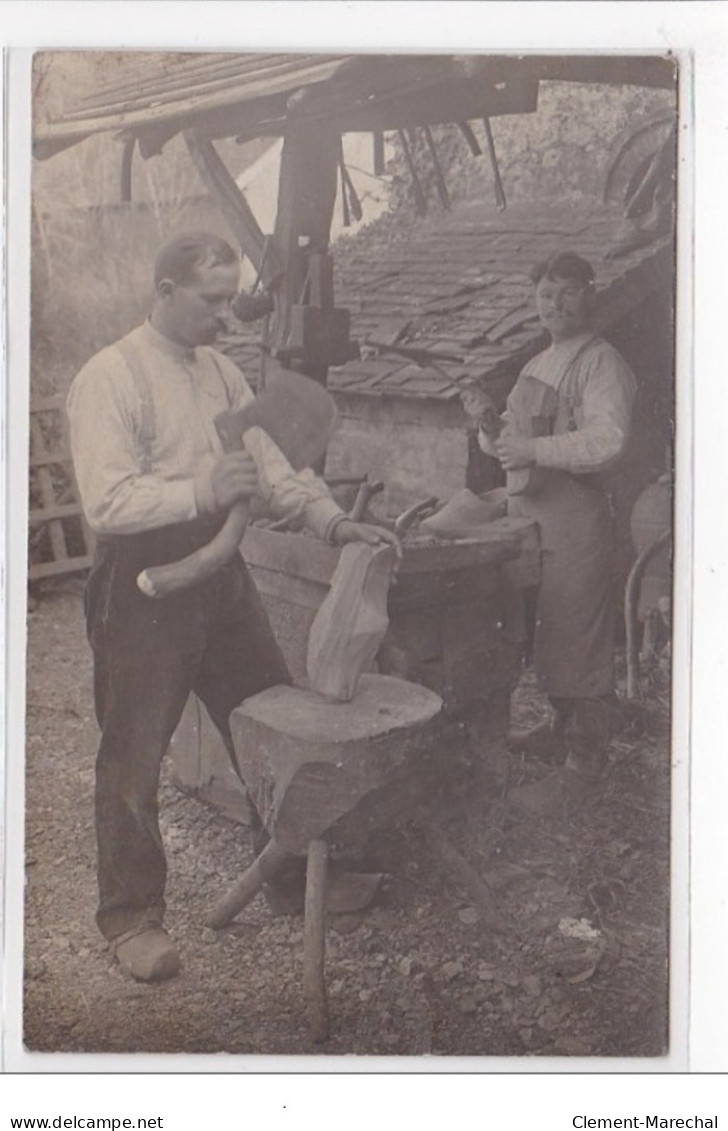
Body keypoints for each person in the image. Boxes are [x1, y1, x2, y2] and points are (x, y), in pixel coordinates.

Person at [67, 231, 400, 982]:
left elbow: (273, 468)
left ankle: (283, 877)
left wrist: (332, 521)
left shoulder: (220, 373)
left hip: (221, 572)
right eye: (211, 300)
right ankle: (130, 919)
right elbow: (108, 498)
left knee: (268, 726)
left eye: (231, 299)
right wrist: (200, 492)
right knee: (133, 753)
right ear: (164, 291)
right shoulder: (110, 377)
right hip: (146, 575)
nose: (227, 316)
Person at [461, 251, 637, 816]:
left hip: (579, 518)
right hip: (534, 516)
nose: (554, 304)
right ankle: (560, 734)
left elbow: (607, 439)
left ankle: (584, 768)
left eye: (565, 292)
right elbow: (510, 441)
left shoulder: (601, 362)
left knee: (579, 637)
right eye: (544, 295)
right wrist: (490, 426)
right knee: (549, 629)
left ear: (590, 294)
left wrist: (534, 448)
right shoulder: (537, 365)